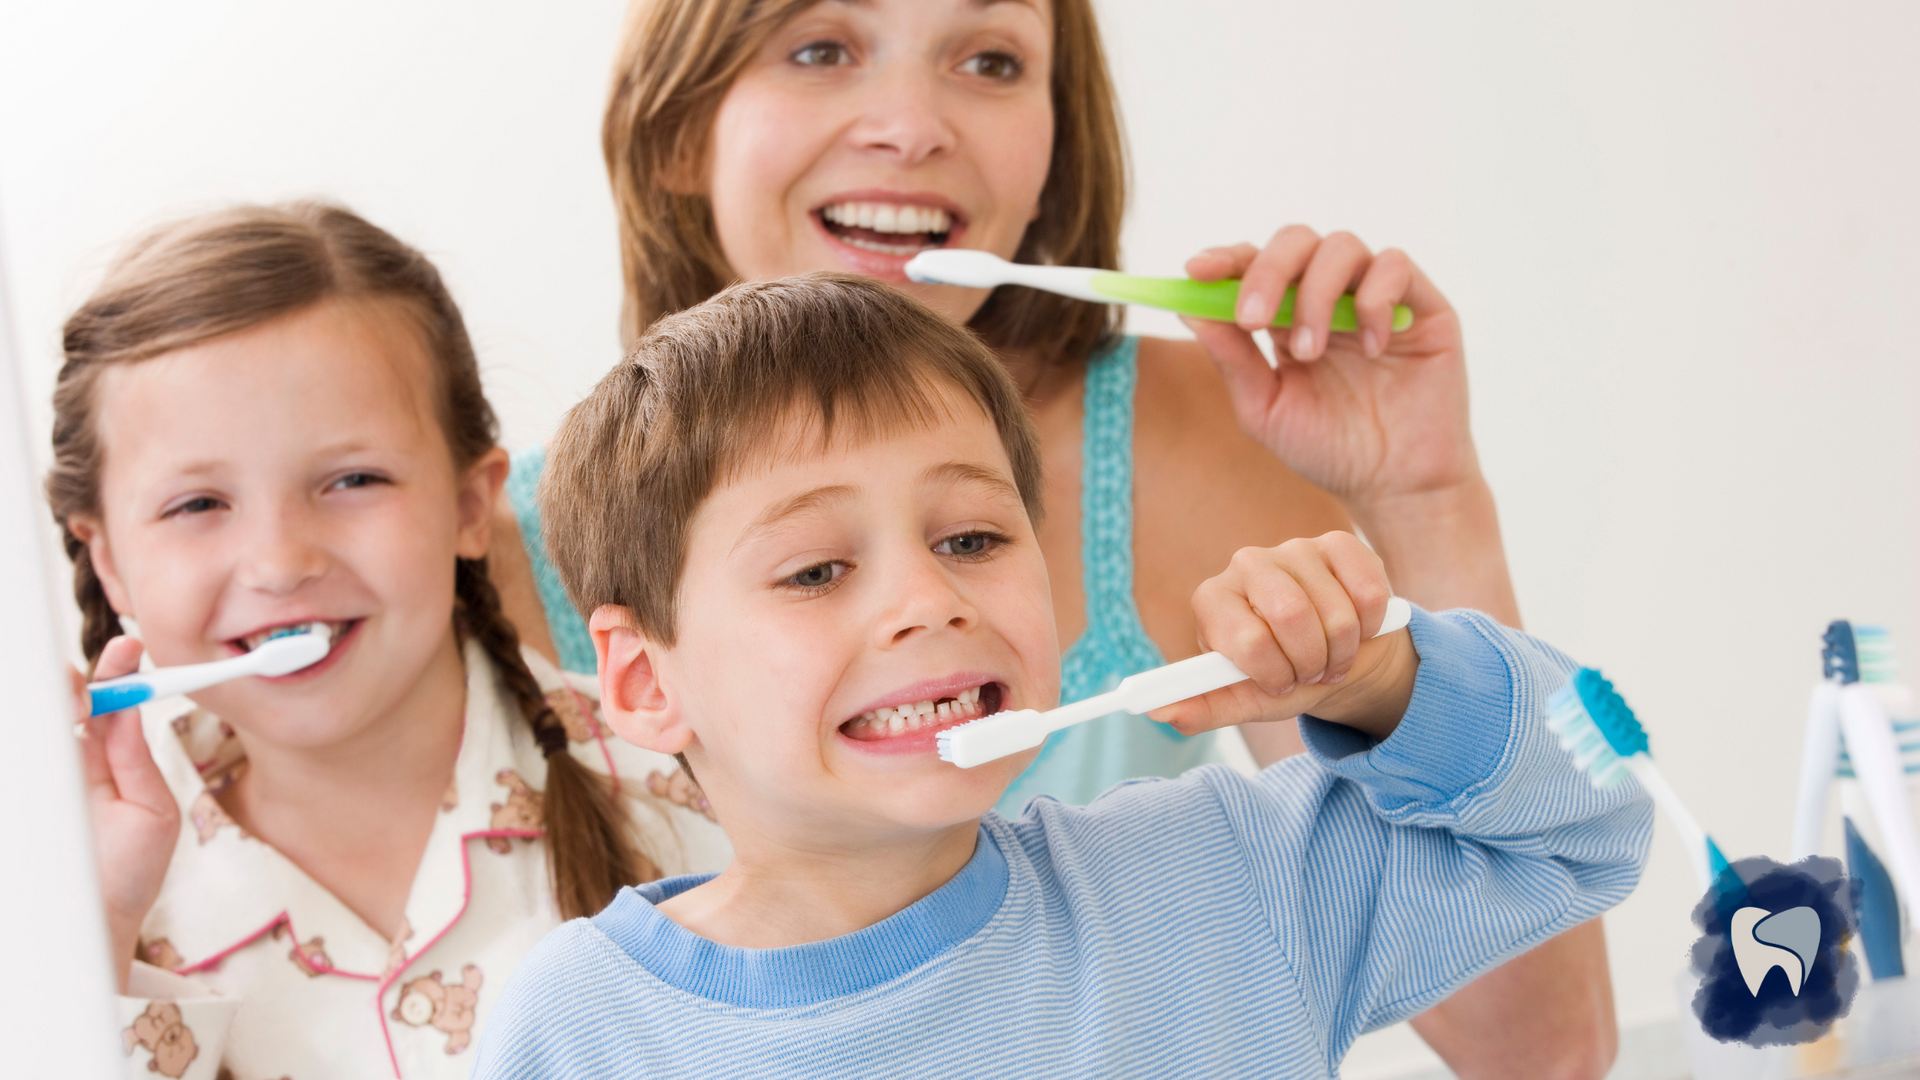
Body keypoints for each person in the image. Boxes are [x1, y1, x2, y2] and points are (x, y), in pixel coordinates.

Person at [482, 0, 1614, 1073]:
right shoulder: (577, 1021)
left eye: (990, 59)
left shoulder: (1221, 877)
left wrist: (1409, 590)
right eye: (822, 46)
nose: (913, 129)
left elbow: (1561, 935)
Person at [53, 203, 728, 1079]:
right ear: (107, 558)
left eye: (352, 480)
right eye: (198, 505)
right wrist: (93, 928)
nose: (280, 561)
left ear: (469, 505)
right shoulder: (74, 894)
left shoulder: (711, 790)